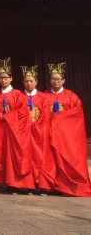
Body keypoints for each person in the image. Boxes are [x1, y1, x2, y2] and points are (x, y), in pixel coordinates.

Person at [44, 63, 91, 197]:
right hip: (49, 133)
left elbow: (76, 115)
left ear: (63, 80)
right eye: (53, 79)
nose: (55, 81)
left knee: (66, 160)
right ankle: (51, 186)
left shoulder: (71, 97)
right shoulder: (44, 95)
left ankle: (66, 187)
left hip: (65, 135)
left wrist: (58, 119)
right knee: (51, 161)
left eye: (58, 79)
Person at [0, 58, 34, 194]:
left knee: (16, 156)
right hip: (0, 130)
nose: (3, 80)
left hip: (14, 130)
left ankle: (18, 183)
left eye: (5, 77)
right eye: (0, 78)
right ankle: (7, 182)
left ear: (11, 78)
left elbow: (22, 112)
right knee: (3, 155)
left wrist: (5, 117)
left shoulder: (17, 94)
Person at [21, 66, 54, 196]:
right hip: (24, 132)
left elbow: (45, 115)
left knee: (41, 158)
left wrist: (36, 126)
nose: (28, 83)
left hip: (40, 132)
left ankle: (42, 185)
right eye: (26, 81)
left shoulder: (43, 97)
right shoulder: (20, 96)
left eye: (31, 81)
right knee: (26, 158)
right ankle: (29, 185)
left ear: (36, 82)